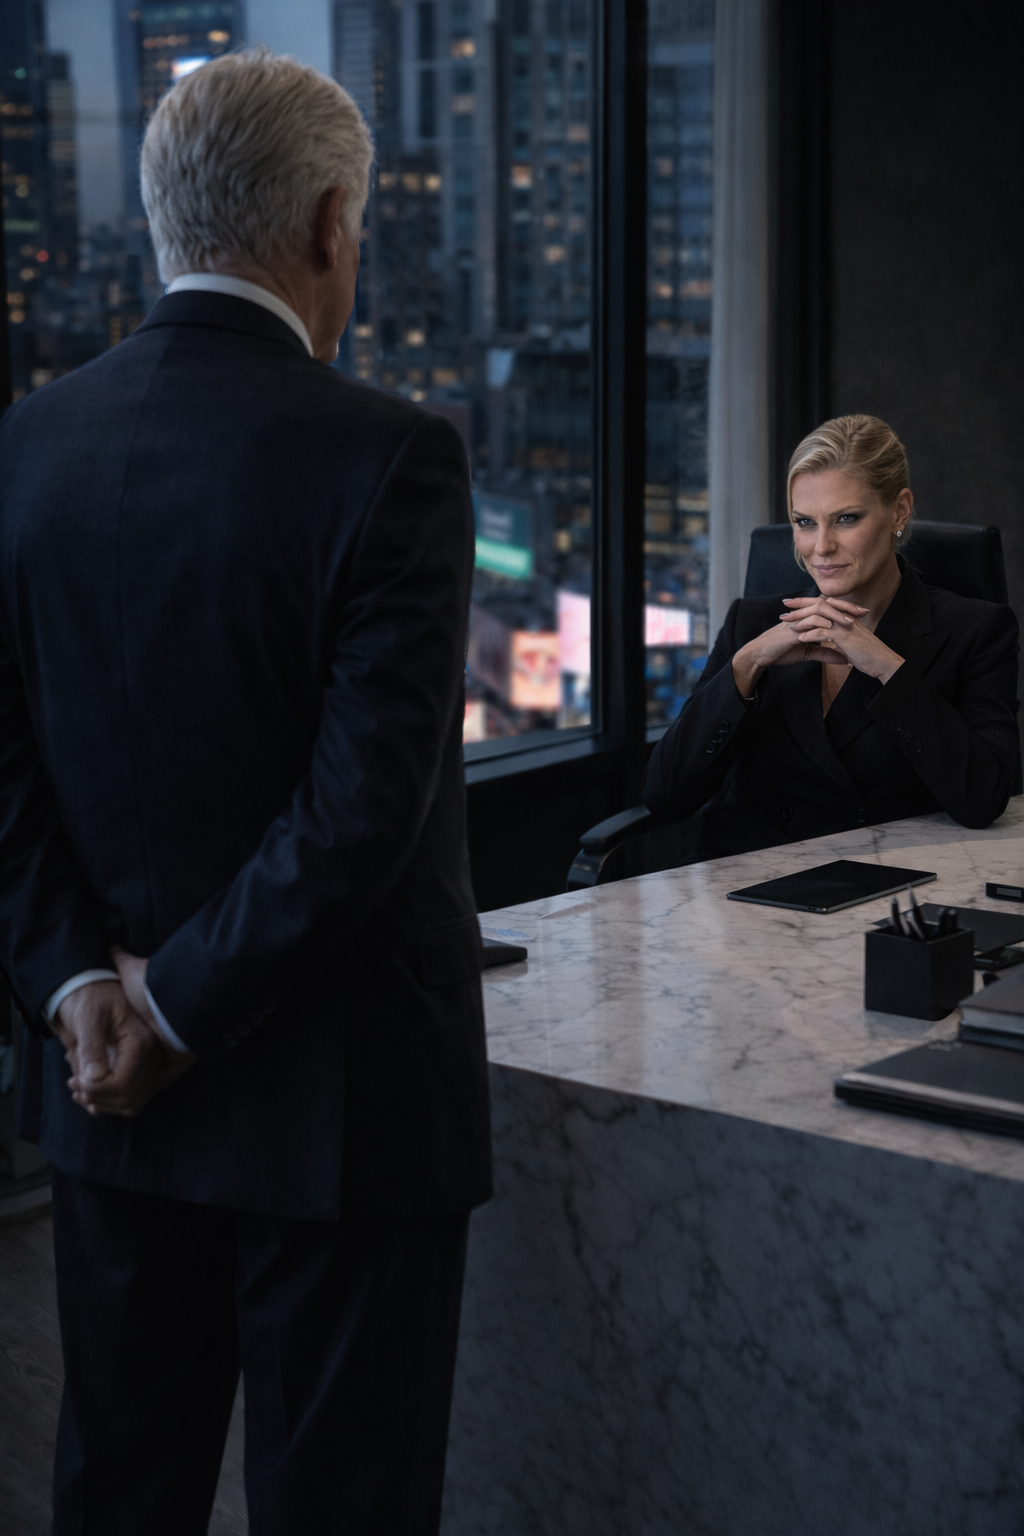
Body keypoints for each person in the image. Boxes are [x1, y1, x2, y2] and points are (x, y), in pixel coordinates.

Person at [0, 49, 490, 1536]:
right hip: (338, 1120)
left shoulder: (29, 440)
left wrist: (87, 986)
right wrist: (182, 1009)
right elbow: (361, 811)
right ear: (335, 222)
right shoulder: (391, 455)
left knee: (120, 1493)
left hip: (108, 1100)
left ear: (162, 217)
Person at [644, 414, 1020, 857]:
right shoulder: (752, 623)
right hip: (744, 887)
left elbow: (983, 801)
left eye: (845, 519)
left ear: (899, 510)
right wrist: (747, 664)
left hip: (886, 883)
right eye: (804, 522)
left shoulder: (976, 631)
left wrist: (888, 669)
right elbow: (665, 796)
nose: (821, 546)